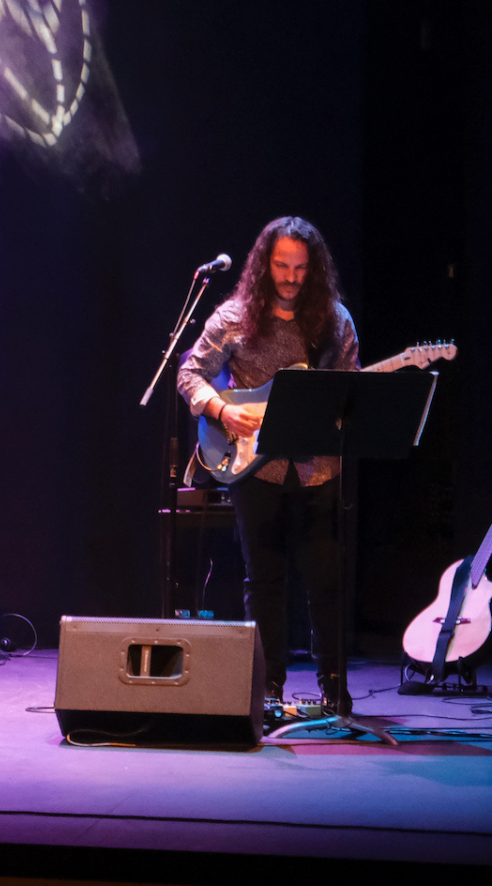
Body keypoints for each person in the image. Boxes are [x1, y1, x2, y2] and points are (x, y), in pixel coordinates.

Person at [178, 216, 358, 714]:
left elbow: (351, 391)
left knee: (325, 579)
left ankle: (335, 688)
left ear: (314, 270)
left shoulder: (335, 320)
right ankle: (268, 688)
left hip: (319, 468)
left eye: (301, 268)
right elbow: (190, 372)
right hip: (254, 467)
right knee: (265, 579)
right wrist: (221, 409)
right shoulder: (233, 316)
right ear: (264, 264)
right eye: (281, 265)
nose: (291, 277)